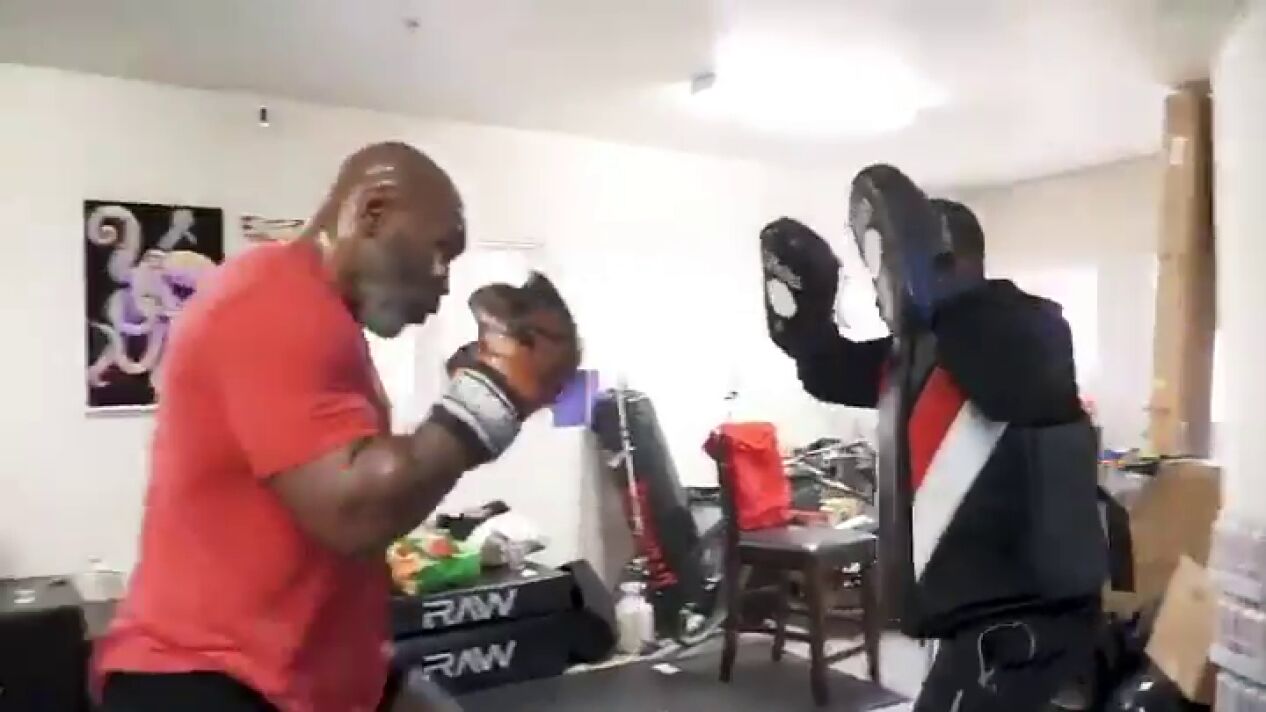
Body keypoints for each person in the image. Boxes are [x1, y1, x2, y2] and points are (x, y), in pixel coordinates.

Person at [95, 141, 580, 712]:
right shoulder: (274, 301)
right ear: (373, 212)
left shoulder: (320, 317)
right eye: (439, 252)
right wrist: (489, 399)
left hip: (306, 675)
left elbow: (359, 500)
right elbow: (354, 512)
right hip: (209, 678)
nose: (444, 281)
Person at [760, 167, 1104, 712]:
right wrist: (807, 328)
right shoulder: (920, 353)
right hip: (975, 619)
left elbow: (1016, 372)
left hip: (1027, 623)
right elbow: (832, 373)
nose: (884, 282)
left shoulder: (1024, 327)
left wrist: (935, 287)